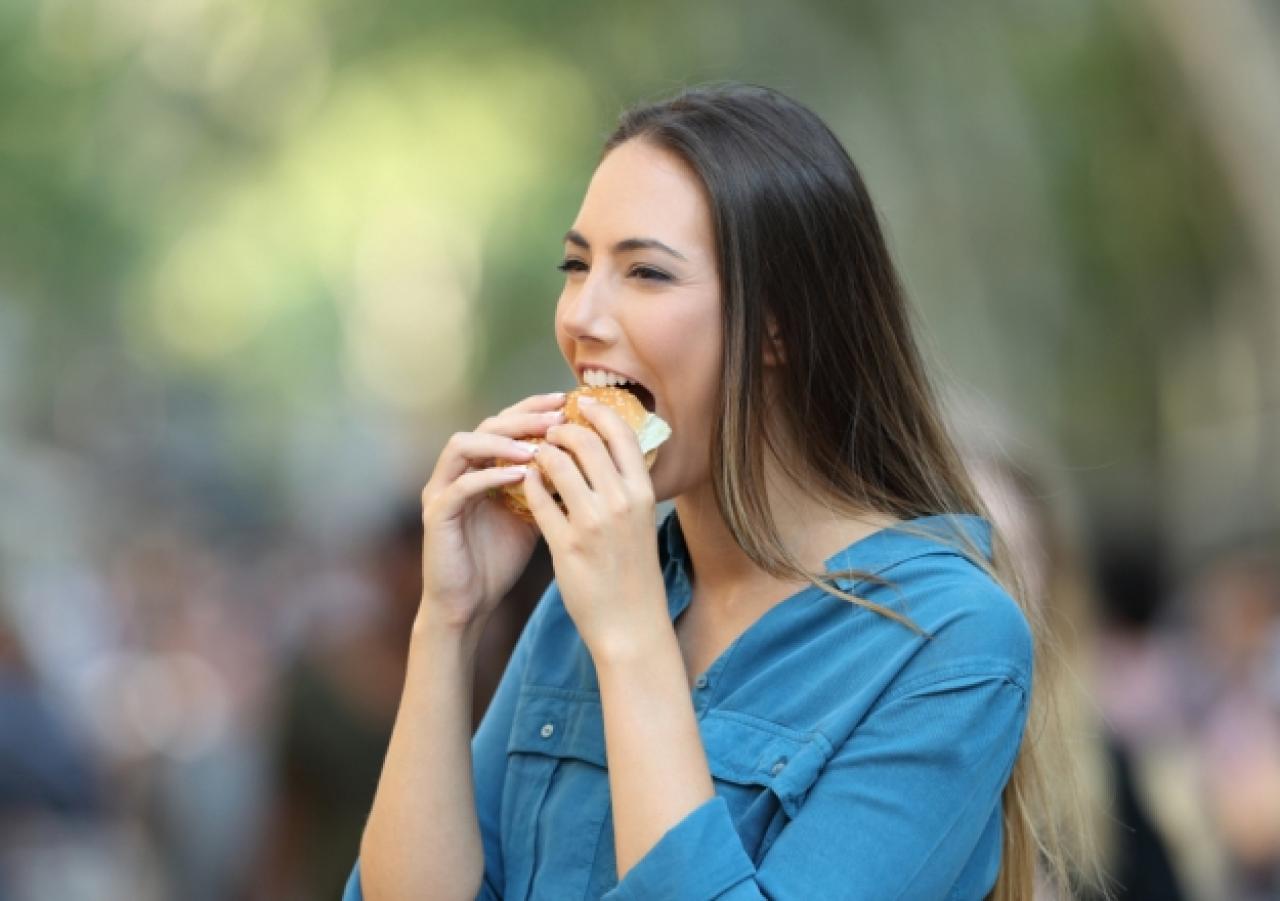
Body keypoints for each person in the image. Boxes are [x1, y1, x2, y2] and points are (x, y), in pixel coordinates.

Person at [344, 83, 1093, 900]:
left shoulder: (950, 640)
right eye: (576, 265)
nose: (582, 315)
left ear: (778, 324)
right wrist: (447, 620)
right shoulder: (584, 601)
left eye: (646, 272)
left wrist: (631, 636)